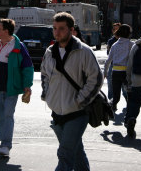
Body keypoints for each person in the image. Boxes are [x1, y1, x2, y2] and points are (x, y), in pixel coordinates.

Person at [41, 12, 103, 171]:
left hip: (77, 112)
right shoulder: (49, 51)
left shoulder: (83, 51)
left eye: (61, 28)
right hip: (56, 112)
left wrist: (80, 100)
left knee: (65, 153)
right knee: (76, 151)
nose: (57, 32)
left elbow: (96, 78)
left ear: (71, 29)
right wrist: (47, 96)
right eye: (54, 28)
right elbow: (44, 75)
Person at [0, 18, 34, 156]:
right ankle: (3, 142)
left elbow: (28, 67)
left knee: (8, 115)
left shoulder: (18, 46)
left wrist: (27, 85)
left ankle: (6, 145)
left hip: (12, 88)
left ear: (6, 30)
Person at [104, 24, 133, 111]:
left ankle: (111, 107)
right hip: (127, 73)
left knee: (116, 95)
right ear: (129, 33)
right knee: (129, 93)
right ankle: (130, 110)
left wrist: (105, 72)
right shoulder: (131, 44)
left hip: (115, 72)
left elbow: (108, 60)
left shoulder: (115, 45)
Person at [106, 22, 122, 100]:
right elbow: (108, 54)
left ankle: (127, 99)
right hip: (113, 64)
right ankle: (111, 99)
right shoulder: (111, 41)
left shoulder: (126, 41)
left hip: (124, 65)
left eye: (117, 29)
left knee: (124, 85)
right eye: (114, 29)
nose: (115, 31)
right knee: (110, 81)